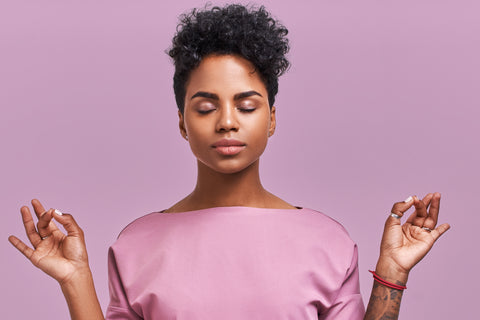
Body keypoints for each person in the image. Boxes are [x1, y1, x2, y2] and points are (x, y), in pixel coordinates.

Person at [8, 4, 450, 320]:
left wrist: (391, 272)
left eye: (247, 105)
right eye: (204, 107)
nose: (226, 122)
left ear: (272, 119)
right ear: (182, 123)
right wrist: (75, 279)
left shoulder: (327, 241)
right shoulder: (135, 244)